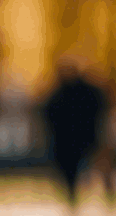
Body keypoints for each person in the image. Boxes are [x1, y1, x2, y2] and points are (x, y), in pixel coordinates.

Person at [42, 62, 109, 207]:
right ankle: (91, 192)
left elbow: (48, 113)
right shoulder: (88, 92)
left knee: (79, 166)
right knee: (83, 165)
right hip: (79, 136)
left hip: (71, 138)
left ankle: (81, 192)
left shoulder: (60, 94)